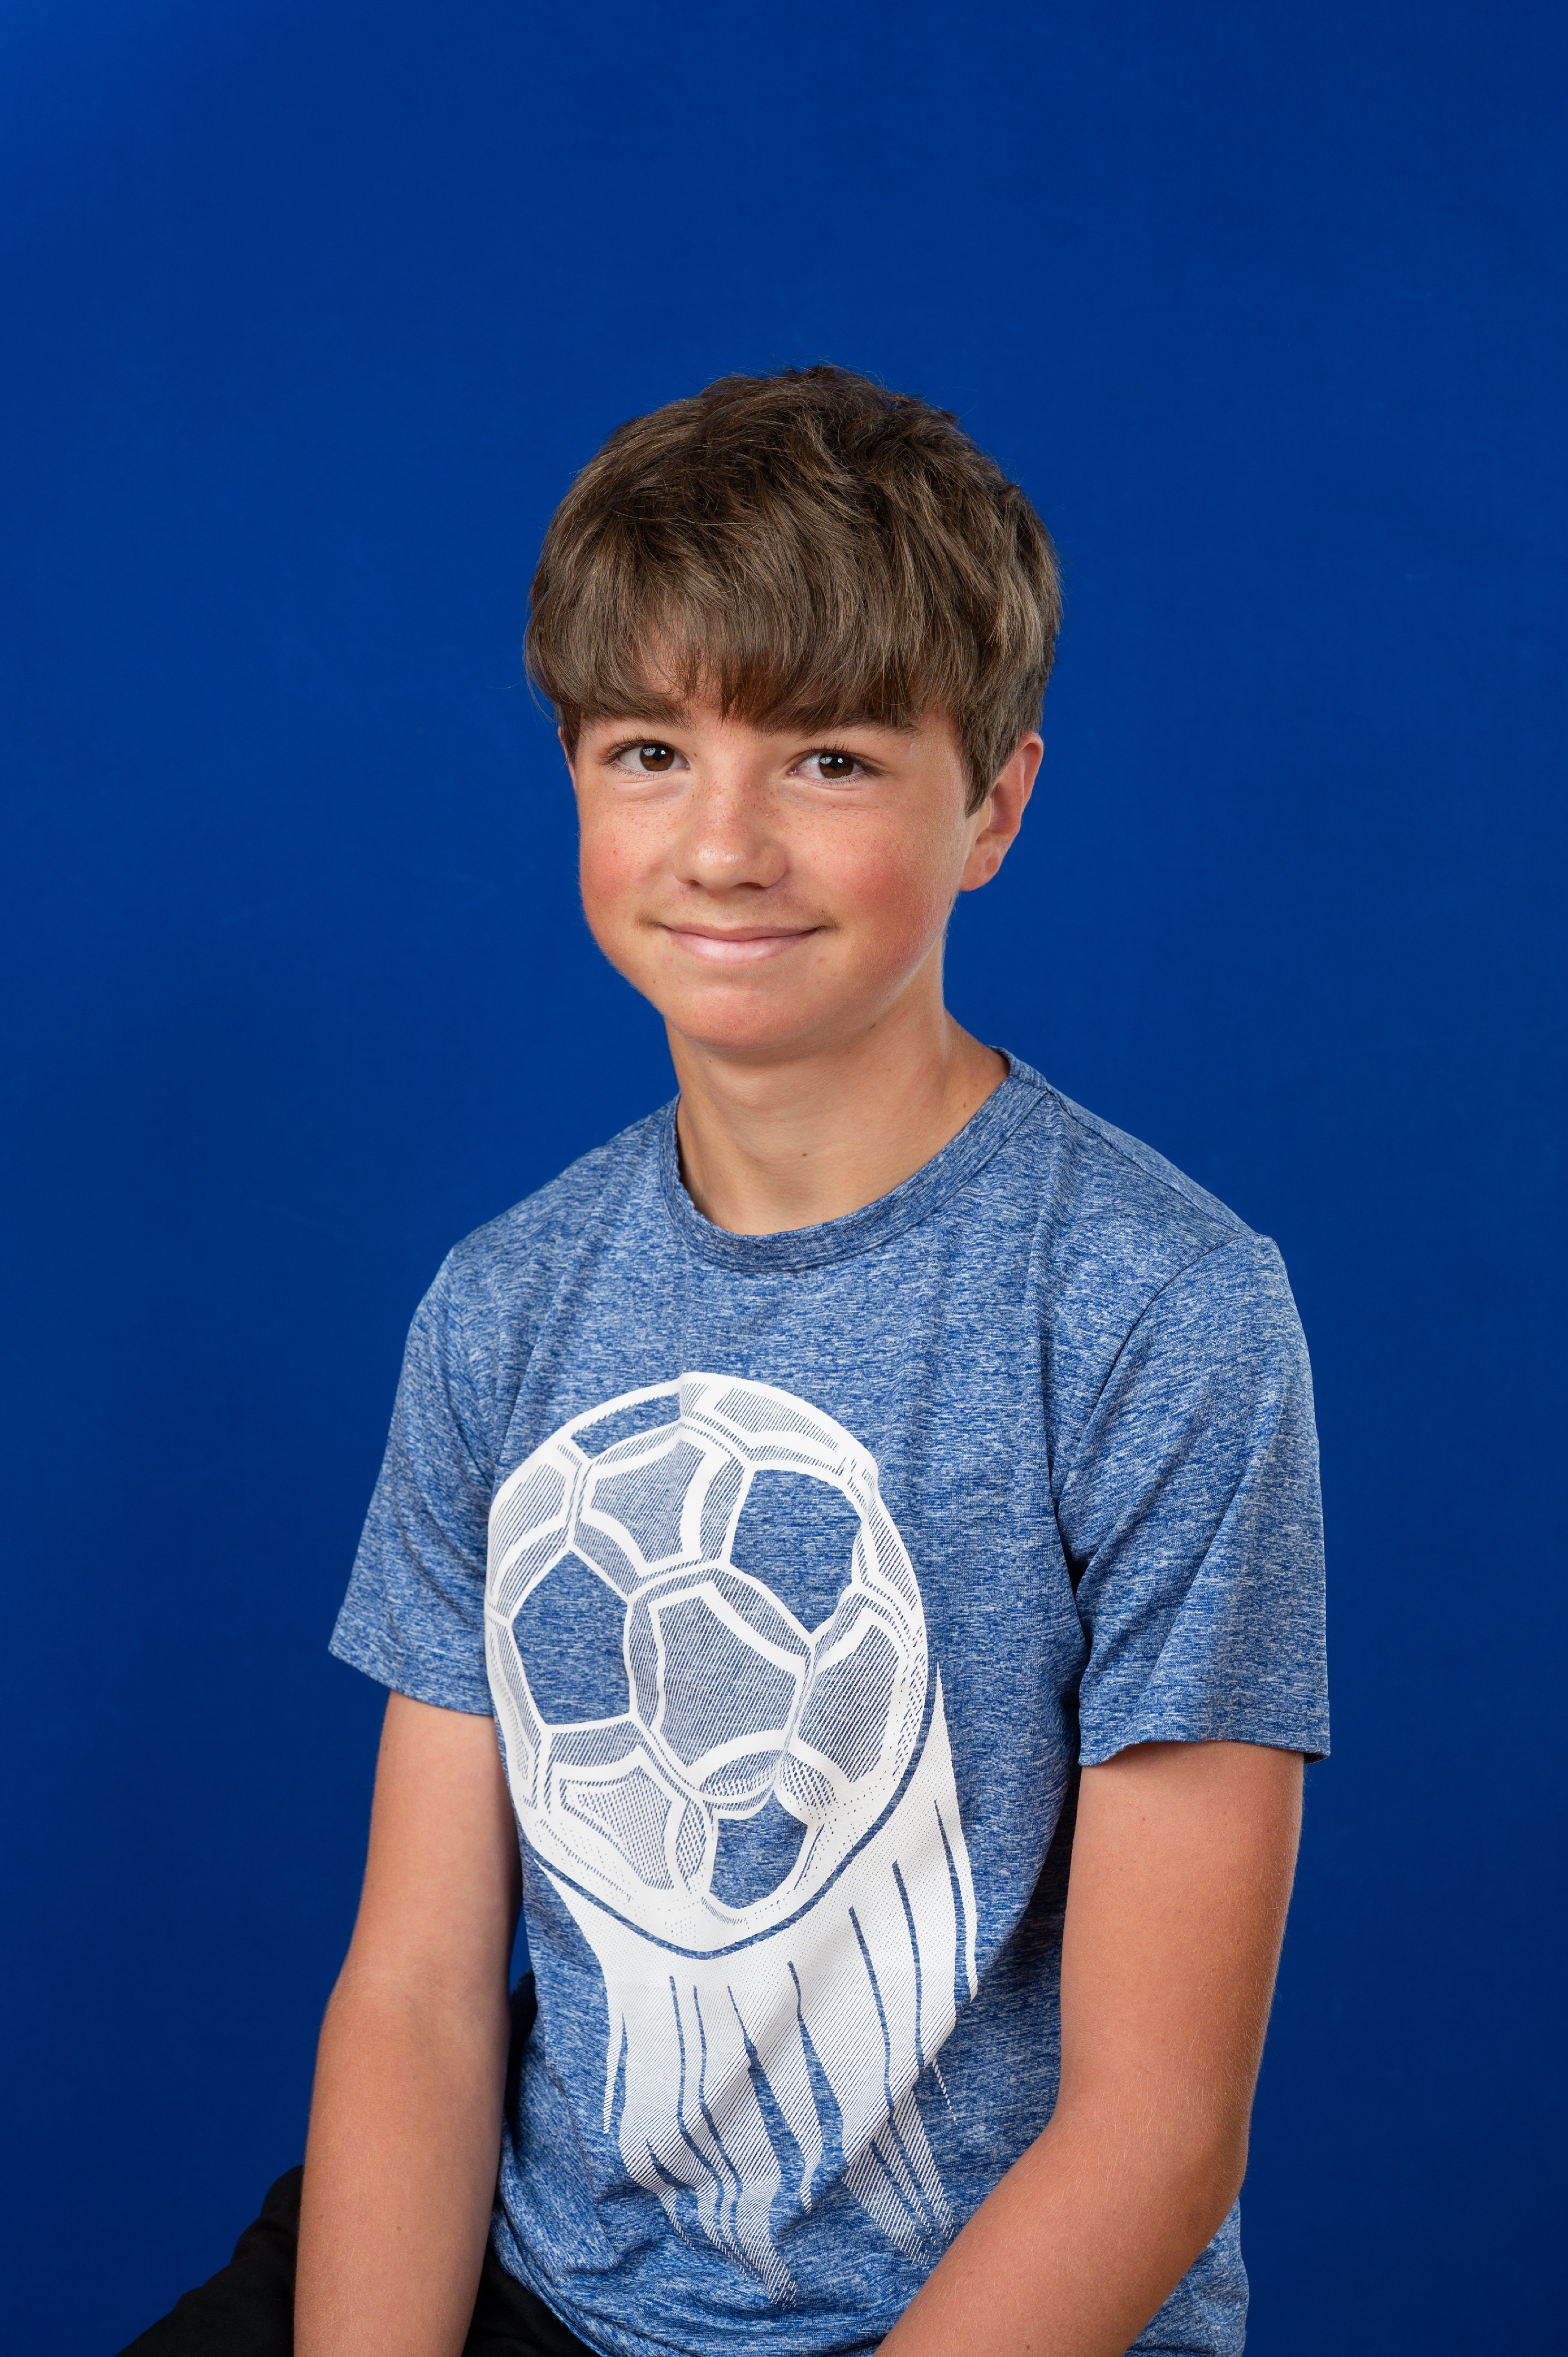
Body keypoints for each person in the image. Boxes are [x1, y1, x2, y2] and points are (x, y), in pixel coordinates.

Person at [125, 365, 1327, 2357]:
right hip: (550, 2269)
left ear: (995, 805)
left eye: (831, 758)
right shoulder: (505, 1307)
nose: (725, 842)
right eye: (650, 751)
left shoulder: (1160, 1311)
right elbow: (420, 1991)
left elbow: (1158, 2127)